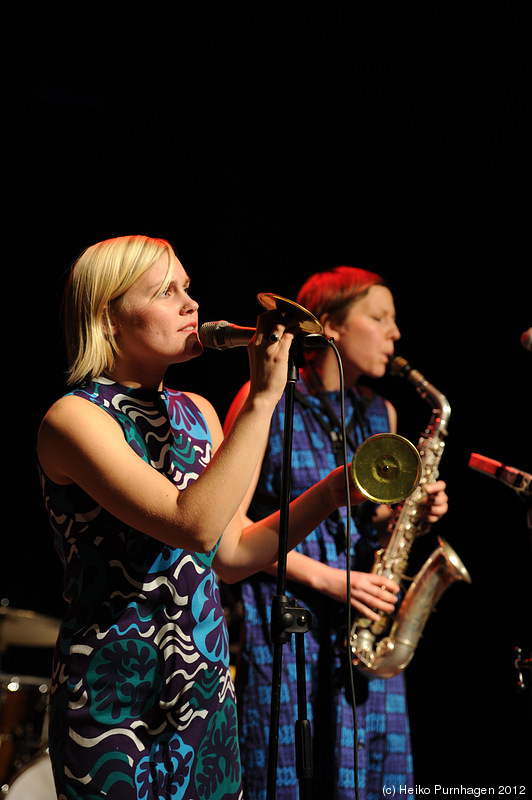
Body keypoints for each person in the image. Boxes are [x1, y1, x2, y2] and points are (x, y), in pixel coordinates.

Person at [36, 237, 371, 800]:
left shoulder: (199, 413)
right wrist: (263, 399)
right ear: (108, 316)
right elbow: (190, 523)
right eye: (166, 291)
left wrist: (330, 494)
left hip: (204, 689)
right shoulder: (75, 419)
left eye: (187, 288)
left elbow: (231, 552)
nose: (191, 304)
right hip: (115, 694)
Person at [223, 266, 449, 800]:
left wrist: (410, 514)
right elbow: (229, 532)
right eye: (379, 318)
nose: (395, 334)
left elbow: (366, 519)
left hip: (361, 621)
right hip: (288, 622)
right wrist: (328, 579)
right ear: (330, 327)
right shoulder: (266, 398)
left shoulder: (382, 411)